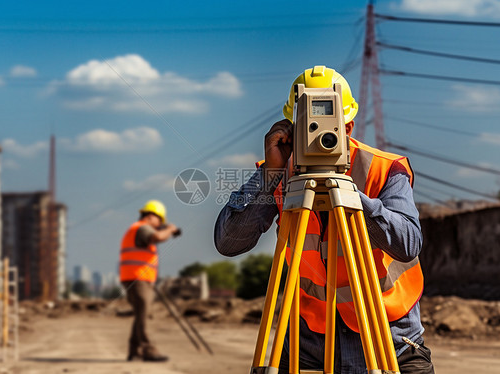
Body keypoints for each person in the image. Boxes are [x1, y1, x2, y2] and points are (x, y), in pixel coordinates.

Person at [214, 66, 434, 373]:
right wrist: (270, 174)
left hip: (386, 338)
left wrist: (352, 197)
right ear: (289, 129)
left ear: (349, 126)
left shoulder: (384, 169)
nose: (319, 136)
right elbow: (229, 242)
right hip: (311, 340)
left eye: (333, 126)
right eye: (307, 127)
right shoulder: (278, 172)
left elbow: (408, 243)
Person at [119, 199, 180, 362]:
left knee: (141, 314)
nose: (159, 224)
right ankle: (149, 350)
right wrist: (169, 229)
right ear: (151, 216)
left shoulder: (136, 229)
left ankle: (134, 351)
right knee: (144, 314)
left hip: (137, 278)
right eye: (160, 220)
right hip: (137, 279)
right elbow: (158, 237)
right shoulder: (142, 228)